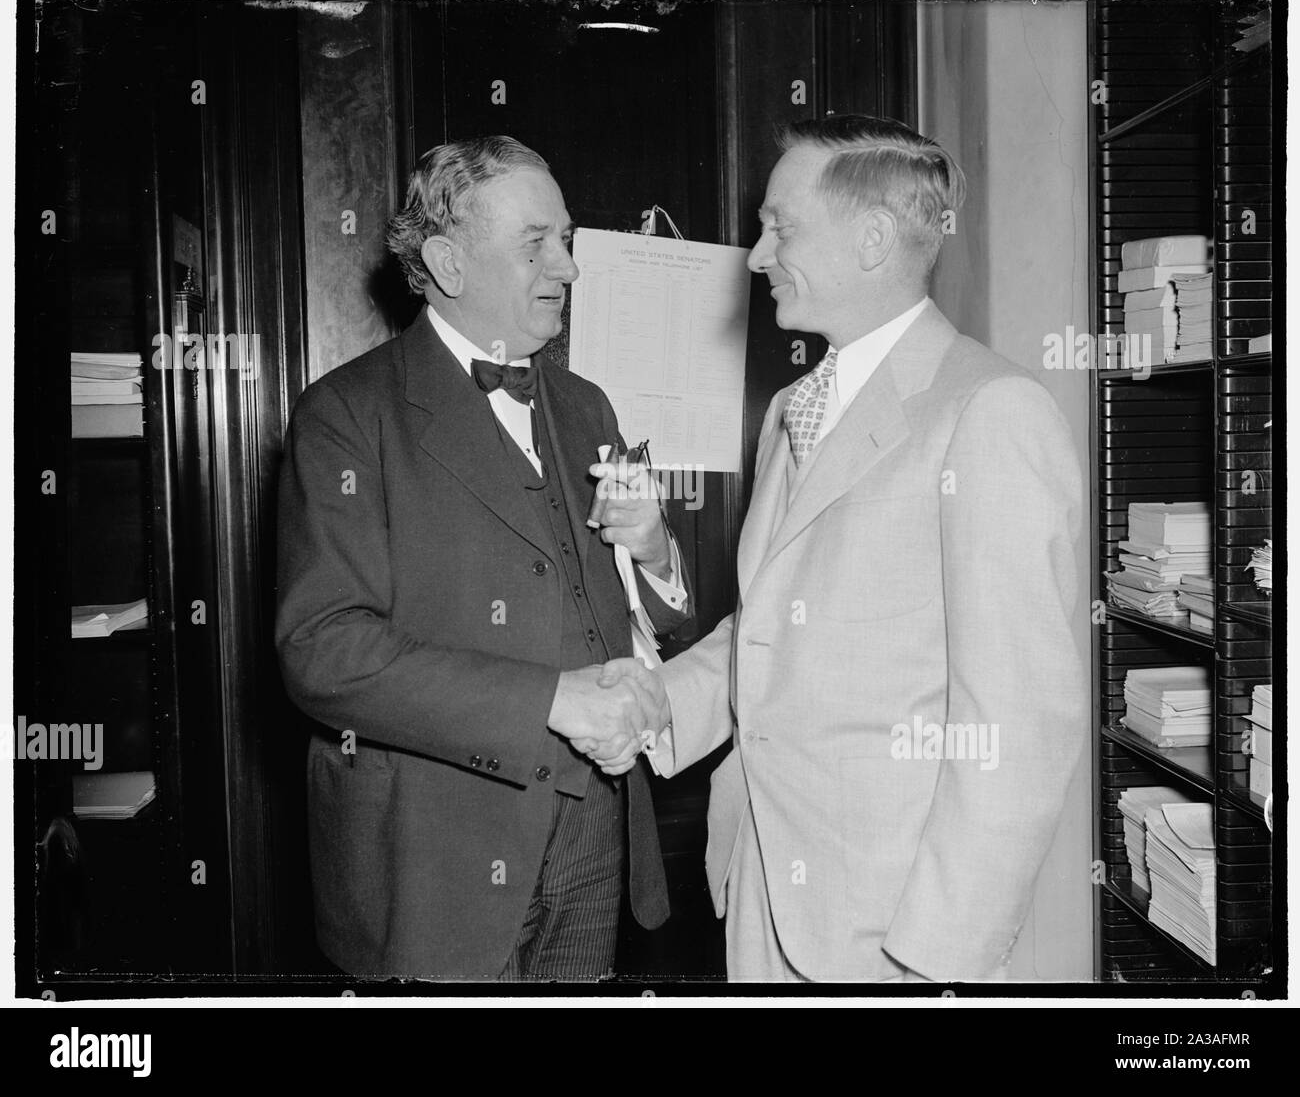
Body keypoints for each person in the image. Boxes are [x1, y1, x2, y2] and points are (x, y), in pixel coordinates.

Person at [600, 114, 1087, 982]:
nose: (753, 255)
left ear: (870, 240)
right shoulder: (792, 408)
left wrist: (937, 959)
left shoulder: (991, 412)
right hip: (764, 899)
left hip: (891, 936)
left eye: (779, 226)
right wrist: (656, 707)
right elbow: (773, 628)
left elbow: (1018, 728)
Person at [275, 135, 690, 981]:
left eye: (566, 240)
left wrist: (654, 555)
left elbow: (643, 617)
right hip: (436, 864)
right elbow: (323, 653)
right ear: (447, 263)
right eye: (537, 245)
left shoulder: (586, 403)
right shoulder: (345, 416)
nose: (569, 268)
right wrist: (551, 701)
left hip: (595, 834)